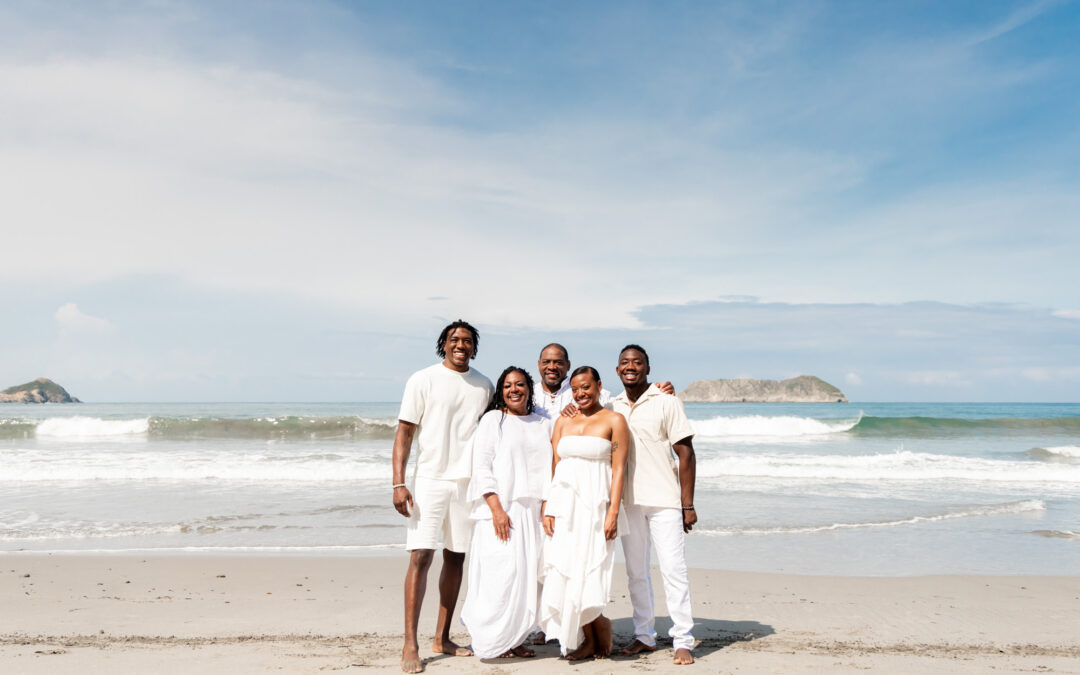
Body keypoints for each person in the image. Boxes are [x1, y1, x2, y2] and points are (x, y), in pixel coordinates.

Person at [392, 320, 493, 674]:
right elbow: (405, 432)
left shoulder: (484, 385)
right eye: (454, 340)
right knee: (421, 555)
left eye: (467, 341)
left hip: (467, 483)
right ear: (444, 344)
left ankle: (442, 637)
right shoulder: (423, 379)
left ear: (474, 347)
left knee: (456, 558)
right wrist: (398, 483)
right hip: (431, 479)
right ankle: (409, 642)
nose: (461, 345)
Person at [610, 345, 698, 665]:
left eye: (637, 362)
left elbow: (685, 453)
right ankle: (644, 636)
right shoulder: (611, 404)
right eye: (625, 363)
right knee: (636, 573)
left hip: (665, 501)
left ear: (648, 368)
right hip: (628, 502)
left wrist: (687, 505)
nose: (630, 367)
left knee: (674, 571)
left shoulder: (667, 401)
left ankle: (683, 640)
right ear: (617, 370)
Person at [459, 366, 552, 659]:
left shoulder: (543, 422)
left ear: (529, 388)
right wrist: (496, 509)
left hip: (532, 510)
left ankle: (515, 638)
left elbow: (550, 468)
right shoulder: (493, 419)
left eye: (520, 384)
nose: (515, 389)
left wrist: (547, 507)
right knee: (500, 575)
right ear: (501, 390)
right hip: (500, 509)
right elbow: (482, 466)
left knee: (525, 578)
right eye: (509, 385)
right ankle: (491, 640)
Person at [539, 366, 629, 660]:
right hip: (565, 505)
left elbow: (618, 470)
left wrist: (613, 511)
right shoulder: (563, 422)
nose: (580, 394)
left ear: (599, 385)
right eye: (575, 389)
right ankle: (588, 634)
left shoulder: (614, 420)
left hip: (596, 503)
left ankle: (596, 627)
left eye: (586, 387)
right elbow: (555, 466)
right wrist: (550, 507)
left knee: (590, 567)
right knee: (566, 567)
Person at [533, 343, 675, 418]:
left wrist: (656, 392)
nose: (551, 367)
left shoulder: (591, 393)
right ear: (539, 364)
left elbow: (626, 405)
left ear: (568, 365)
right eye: (546, 362)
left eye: (558, 362)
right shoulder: (529, 394)